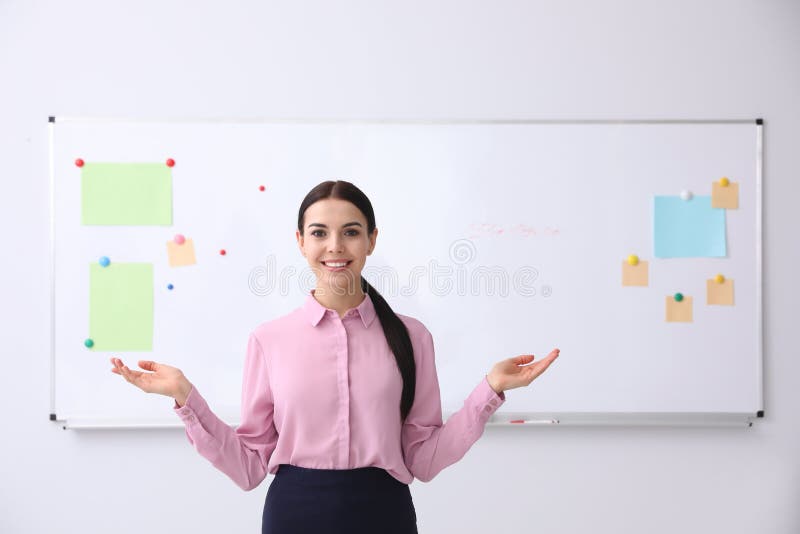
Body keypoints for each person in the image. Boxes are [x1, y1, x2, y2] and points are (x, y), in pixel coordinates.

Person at [111, 180, 559, 534]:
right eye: (320, 233)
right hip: (294, 515)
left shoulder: (411, 336)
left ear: (372, 240)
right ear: (301, 242)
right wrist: (186, 399)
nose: (335, 247)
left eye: (351, 232)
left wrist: (491, 390)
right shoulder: (270, 339)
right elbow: (249, 467)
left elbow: (424, 458)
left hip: (384, 514)